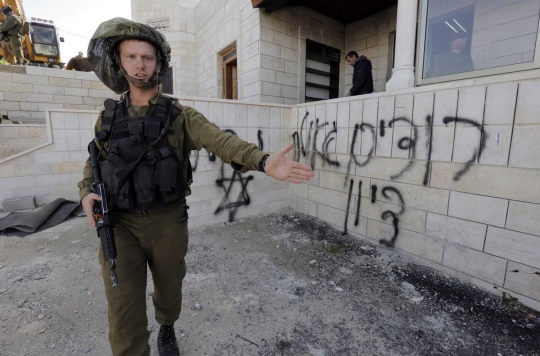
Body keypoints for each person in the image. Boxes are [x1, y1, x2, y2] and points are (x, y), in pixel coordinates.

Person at [78, 18, 314, 356]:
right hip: (119, 224)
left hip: (167, 221)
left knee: (169, 290)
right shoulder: (109, 117)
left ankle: (167, 326)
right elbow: (95, 159)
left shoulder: (180, 116)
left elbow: (221, 141)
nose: (140, 65)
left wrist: (262, 161)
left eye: (147, 57)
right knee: (122, 310)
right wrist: (87, 189)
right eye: (131, 57)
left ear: (158, 63)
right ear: (119, 62)